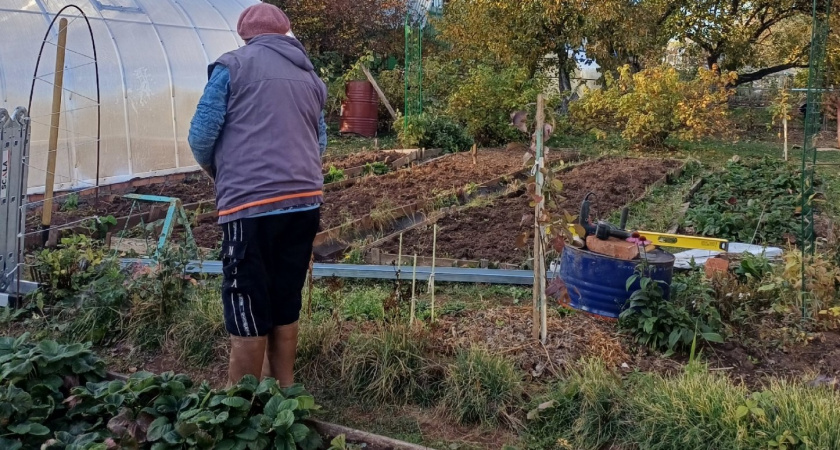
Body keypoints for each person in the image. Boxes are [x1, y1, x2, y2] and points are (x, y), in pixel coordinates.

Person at [188, 3, 327, 387]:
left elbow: (201, 135)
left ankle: (239, 411)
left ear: (245, 34)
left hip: (251, 205)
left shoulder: (232, 66)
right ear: (285, 32)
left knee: (245, 302)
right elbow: (320, 142)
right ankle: (283, 392)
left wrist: (220, 171)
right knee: (285, 298)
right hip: (305, 202)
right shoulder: (310, 76)